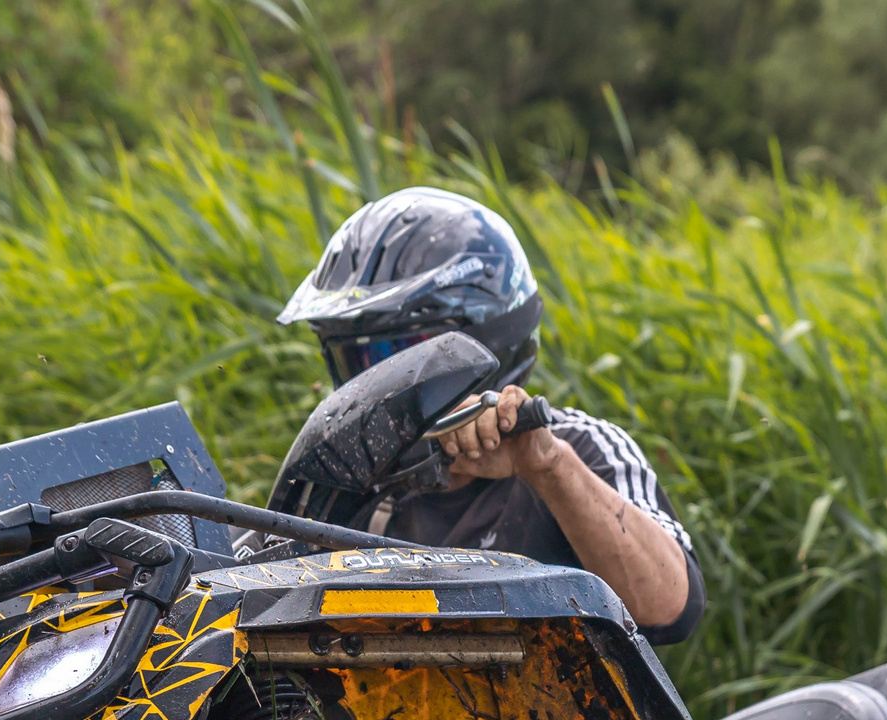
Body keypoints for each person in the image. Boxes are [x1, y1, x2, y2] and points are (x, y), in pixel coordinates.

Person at [277, 186, 706, 646]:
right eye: (359, 364)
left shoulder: (580, 446)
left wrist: (547, 466)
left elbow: (668, 607)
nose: (382, 385)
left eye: (400, 359)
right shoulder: (346, 480)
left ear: (486, 339)